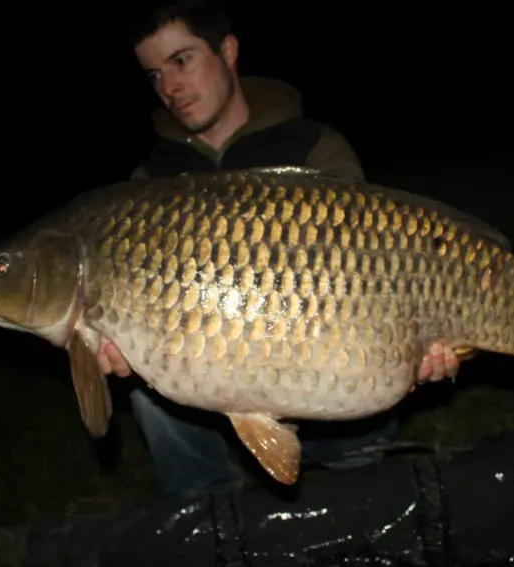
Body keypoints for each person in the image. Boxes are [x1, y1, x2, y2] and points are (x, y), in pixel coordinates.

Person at [95, 0, 400, 503]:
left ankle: (354, 479)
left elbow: (375, 272)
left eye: (182, 60)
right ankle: (205, 504)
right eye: (154, 74)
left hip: (335, 392)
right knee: (143, 373)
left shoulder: (313, 149)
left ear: (228, 51)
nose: (169, 87)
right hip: (209, 413)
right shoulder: (147, 189)